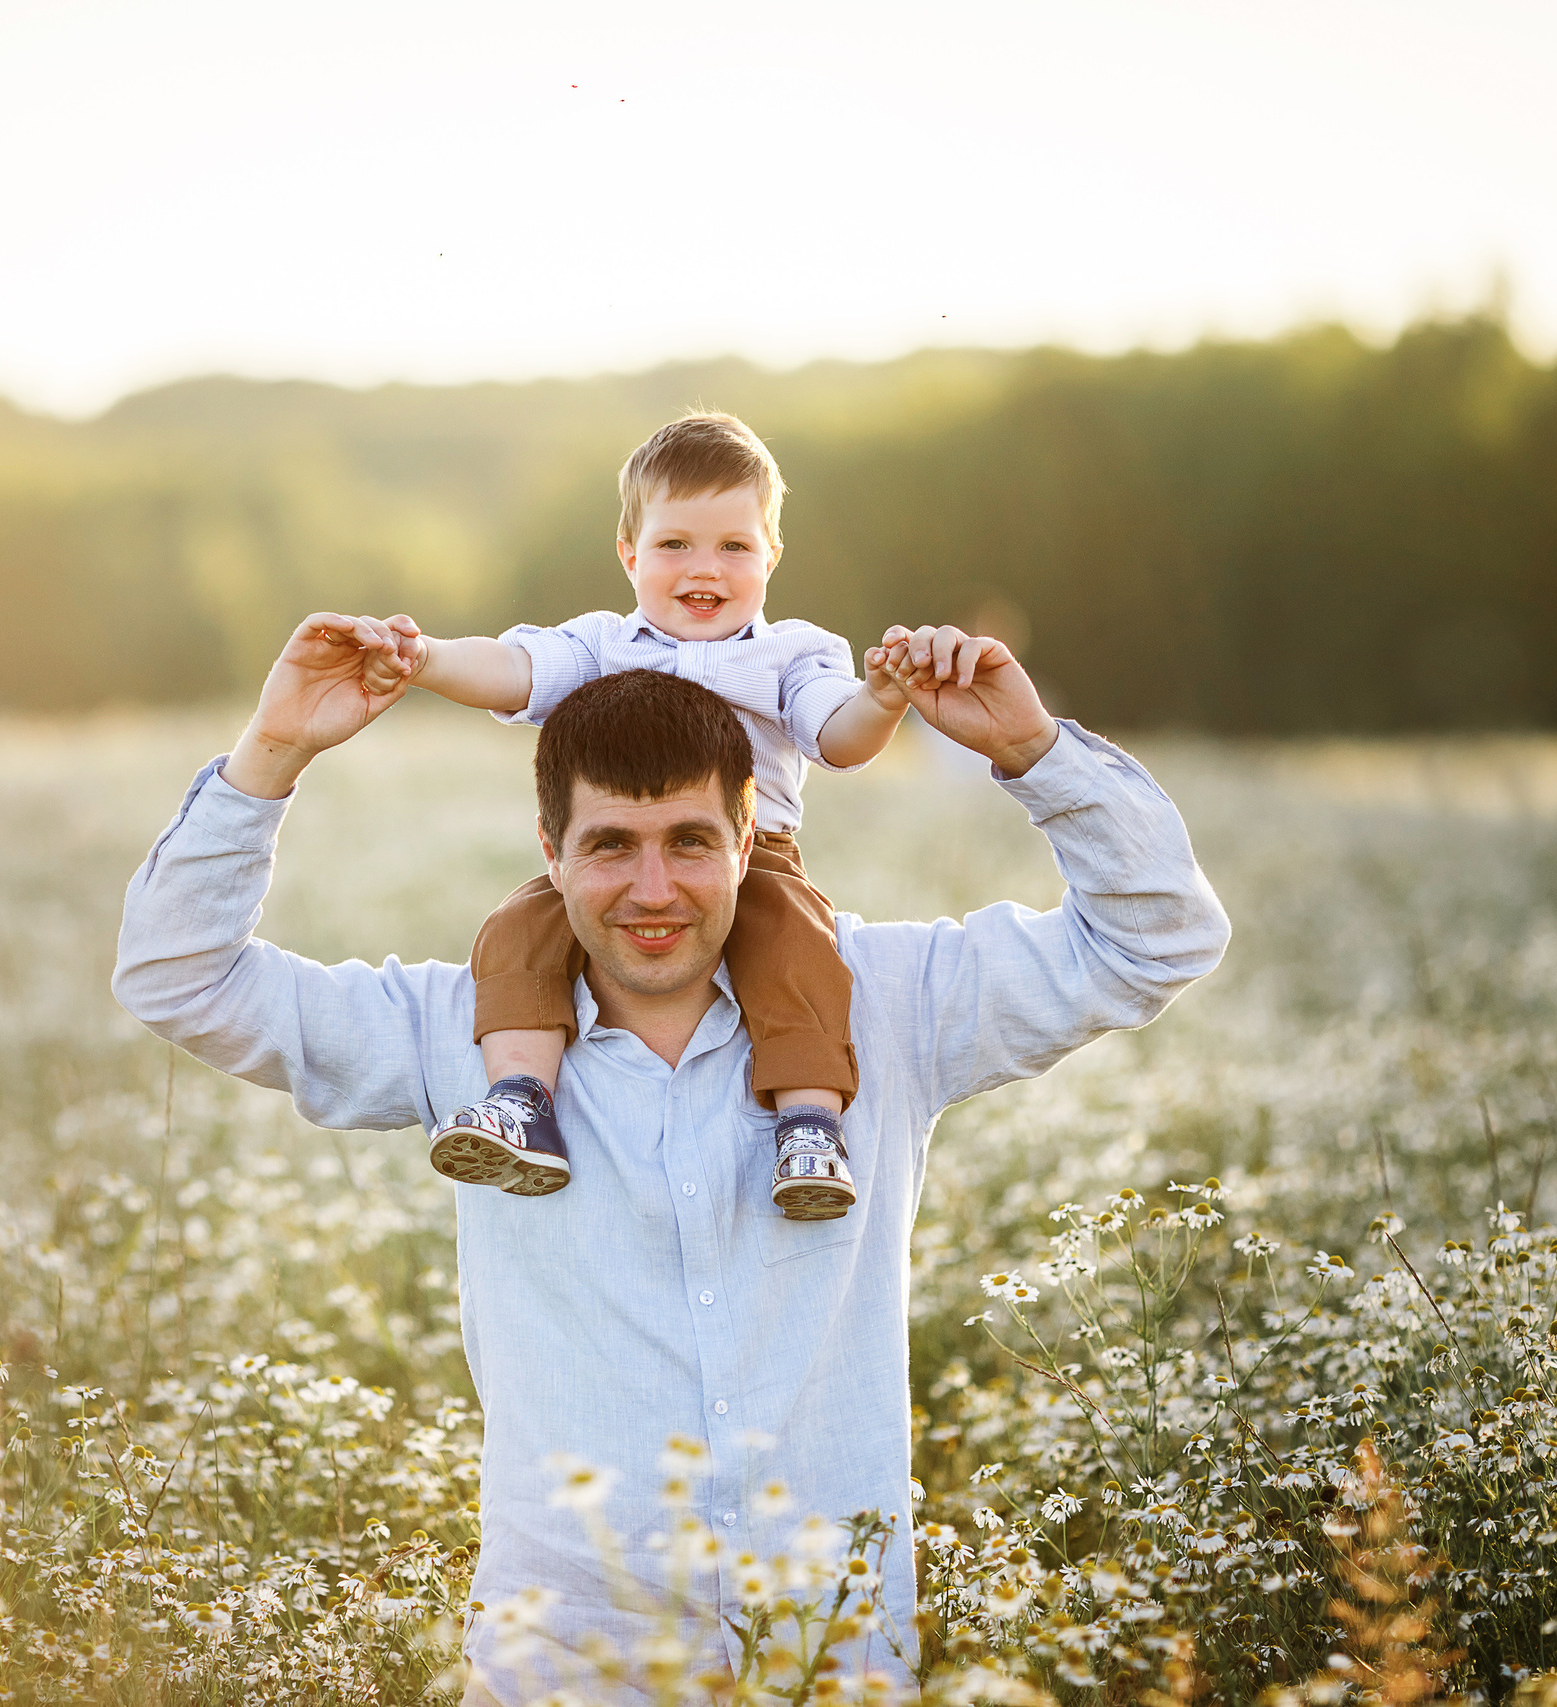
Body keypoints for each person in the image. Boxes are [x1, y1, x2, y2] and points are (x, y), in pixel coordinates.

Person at [112, 612, 1231, 1701]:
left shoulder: (885, 1004)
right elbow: (179, 978)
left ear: (751, 841)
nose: (653, 892)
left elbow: (1159, 936)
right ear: (549, 852)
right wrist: (273, 753)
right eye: (610, 846)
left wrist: (1035, 755)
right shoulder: (453, 1030)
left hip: (825, 1652)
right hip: (566, 1661)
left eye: (691, 842)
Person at [349, 412, 923, 1223]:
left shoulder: (793, 654)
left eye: (734, 546)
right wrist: (425, 659)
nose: (705, 568)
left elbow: (839, 734)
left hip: (751, 858)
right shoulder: (602, 646)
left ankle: (808, 1123)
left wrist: (884, 697)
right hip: (609, 858)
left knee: (797, 951)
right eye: (675, 544)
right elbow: (515, 671)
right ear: (629, 553)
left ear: (771, 557)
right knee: (518, 928)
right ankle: (521, 1098)